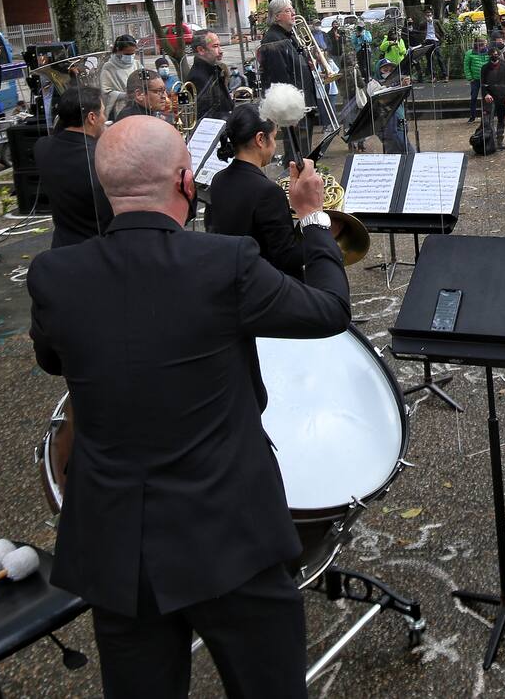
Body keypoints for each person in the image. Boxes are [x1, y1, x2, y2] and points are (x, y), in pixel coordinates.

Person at [27, 115, 351, 699]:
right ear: (185, 182)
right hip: (231, 536)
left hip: (115, 545)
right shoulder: (224, 264)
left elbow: (55, 360)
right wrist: (313, 219)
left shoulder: (54, 275)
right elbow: (328, 310)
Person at [207, 104, 304, 278]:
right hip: (263, 287)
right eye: (274, 138)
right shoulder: (269, 192)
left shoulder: (218, 179)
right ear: (260, 139)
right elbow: (288, 260)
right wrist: (315, 224)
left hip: (232, 278)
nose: (275, 146)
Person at [33, 86, 113, 247]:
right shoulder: (100, 158)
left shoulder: (41, 147)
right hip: (98, 247)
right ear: (92, 117)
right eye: (103, 112)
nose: (105, 118)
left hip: (63, 244)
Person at [259, 0, 323, 137]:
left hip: (302, 103)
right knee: (297, 152)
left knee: (303, 150)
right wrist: (290, 112)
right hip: (292, 108)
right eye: (288, 11)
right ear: (277, 16)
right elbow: (279, 77)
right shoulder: (273, 40)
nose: (293, 13)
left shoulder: (289, 35)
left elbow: (293, 65)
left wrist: (308, 63)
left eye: (292, 10)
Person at [186, 29, 232, 122]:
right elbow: (204, 116)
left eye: (220, 45)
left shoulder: (212, 70)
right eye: (215, 46)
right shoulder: (198, 77)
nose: (220, 51)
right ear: (201, 50)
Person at [479, 44, 505, 148]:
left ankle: (499, 140)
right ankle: (490, 141)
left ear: (499, 55)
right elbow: (482, 83)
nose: (494, 56)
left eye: (496, 54)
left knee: (501, 120)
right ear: (489, 56)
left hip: (503, 97)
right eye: (492, 55)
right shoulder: (485, 68)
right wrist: (486, 94)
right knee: (488, 120)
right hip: (490, 98)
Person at [98, 34, 140, 117]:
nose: (130, 57)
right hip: (119, 109)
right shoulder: (109, 67)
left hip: (137, 106)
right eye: (127, 54)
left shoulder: (137, 64)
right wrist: (125, 95)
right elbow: (105, 92)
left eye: (133, 54)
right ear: (118, 50)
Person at [463, 35, 490, 123]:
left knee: (486, 97)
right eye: (483, 44)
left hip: (486, 79)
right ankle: (472, 116)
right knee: (473, 98)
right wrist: (470, 78)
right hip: (475, 79)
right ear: (478, 45)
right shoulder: (469, 53)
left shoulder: (488, 52)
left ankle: (487, 116)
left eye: (486, 44)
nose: (485, 46)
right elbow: (466, 66)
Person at [420, 8, 447, 82]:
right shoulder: (423, 23)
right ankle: (433, 76)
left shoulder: (436, 22)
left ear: (432, 15)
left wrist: (442, 41)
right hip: (427, 41)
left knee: (439, 57)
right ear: (425, 16)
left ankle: (445, 75)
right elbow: (420, 33)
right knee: (429, 59)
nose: (428, 17)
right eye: (427, 15)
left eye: (430, 15)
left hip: (435, 40)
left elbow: (443, 32)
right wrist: (423, 40)